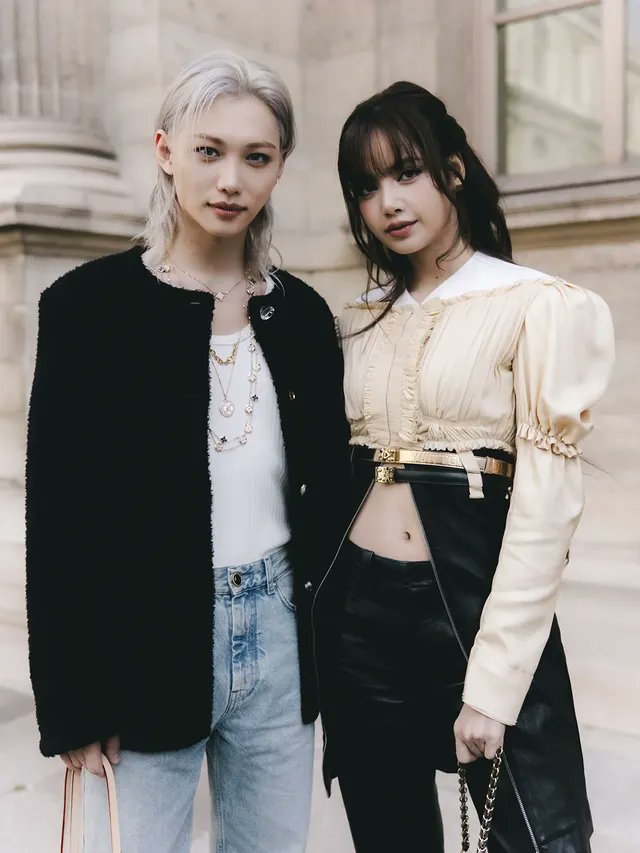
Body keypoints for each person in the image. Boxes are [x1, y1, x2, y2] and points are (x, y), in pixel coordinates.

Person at [26, 51, 350, 853]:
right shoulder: (87, 310)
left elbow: (329, 501)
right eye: (209, 151)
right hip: (146, 637)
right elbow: (61, 518)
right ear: (166, 149)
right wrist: (73, 702)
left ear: (279, 168)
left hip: (277, 636)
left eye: (256, 156)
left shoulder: (304, 318)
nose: (230, 179)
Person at [312, 81, 615, 852]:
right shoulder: (360, 319)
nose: (388, 201)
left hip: (473, 608)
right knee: (389, 834)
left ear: (451, 171)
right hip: (361, 619)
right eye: (366, 185)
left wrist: (492, 683)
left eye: (405, 171)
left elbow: (547, 509)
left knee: (534, 837)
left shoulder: (536, 304)